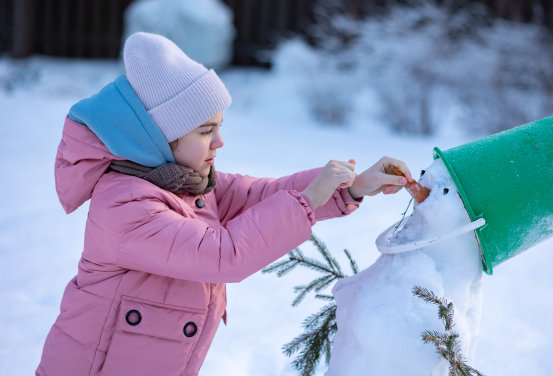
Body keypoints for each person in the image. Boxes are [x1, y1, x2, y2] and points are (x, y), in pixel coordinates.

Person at [36, 32, 413, 376]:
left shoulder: (185, 184)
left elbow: (257, 197)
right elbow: (224, 255)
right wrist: (308, 200)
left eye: (219, 127)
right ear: (158, 137)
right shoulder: (125, 207)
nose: (219, 142)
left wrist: (354, 186)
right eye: (205, 131)